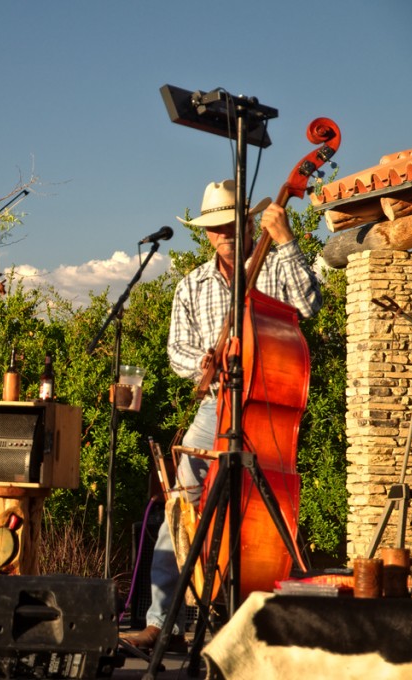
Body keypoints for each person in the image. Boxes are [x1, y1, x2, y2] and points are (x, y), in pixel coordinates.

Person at [122, 178, 322, 650]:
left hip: (266, 407)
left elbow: (310, 304)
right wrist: (207, 366)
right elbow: (177, 350)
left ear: (249, 222)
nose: (223, 234)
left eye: (231, 224)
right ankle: (161, 624)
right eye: (214, 228)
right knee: (182, 501)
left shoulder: (275, 266)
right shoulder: (193, 283)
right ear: (206, 233)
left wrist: (289, 240)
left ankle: (265, 622)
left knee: (266, 512)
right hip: (216, 406)